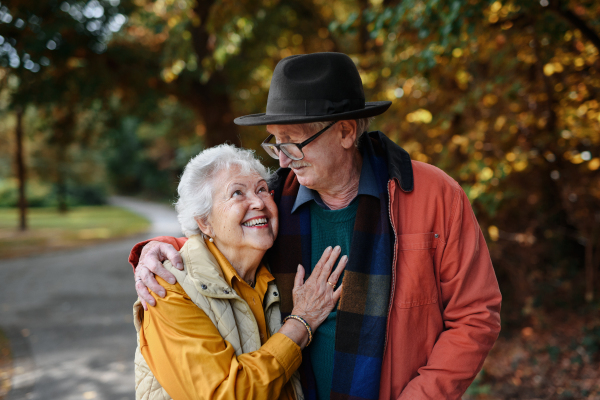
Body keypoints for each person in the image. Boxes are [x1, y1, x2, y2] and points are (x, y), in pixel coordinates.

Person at [131, 52, 502, 400]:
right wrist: (158, 247)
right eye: (275, 144)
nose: (283, 159)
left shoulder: (432, 195)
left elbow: (475, 317)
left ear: (345, 132)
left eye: (293, 142)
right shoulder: (277, 199)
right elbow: (220, 239)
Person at [132, 144, 346, 400]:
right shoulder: (167, 289)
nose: (258, 202)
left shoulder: (278, 268)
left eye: (262, 189)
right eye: (237, 193)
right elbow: (225, 394)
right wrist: (302, 322)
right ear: (204, 222)